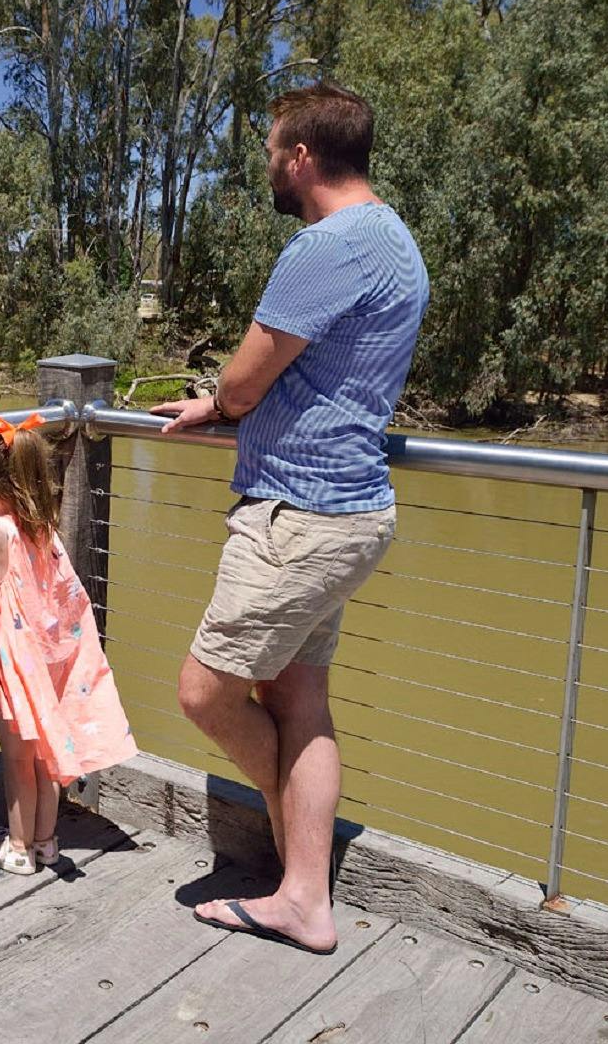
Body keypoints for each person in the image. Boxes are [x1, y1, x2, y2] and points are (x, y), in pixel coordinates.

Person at [150, 82, 429, 956]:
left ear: (301, 156)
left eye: (273, 150)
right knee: (300, 700)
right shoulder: (395, 237)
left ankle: (293, 857)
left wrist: (220, 401)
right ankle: (303, 892)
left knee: (204, 690)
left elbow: (242, 383)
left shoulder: (326, 246)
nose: (269, 165)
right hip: (351, 509)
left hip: (300, 515)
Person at [0, 414, 138, 876]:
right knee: (44, 758)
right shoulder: (45, 530)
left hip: (13, 672)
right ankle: (46, 842)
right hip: (46, 667)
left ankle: (18, 848)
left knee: (18, 762)